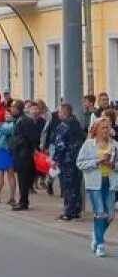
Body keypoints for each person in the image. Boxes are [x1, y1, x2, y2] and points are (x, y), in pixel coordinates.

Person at [76, 116, 114, 257]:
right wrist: (98, 161)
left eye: (107, 128)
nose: (105, 130)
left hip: (110, 183)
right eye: (103, 128)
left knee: (109, 214)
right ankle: (99, 244)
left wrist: (112, 164)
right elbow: (80, 163)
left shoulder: (114, 145)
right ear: (96, 129)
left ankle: (97, 234)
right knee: (99, 212)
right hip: (94, 183)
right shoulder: (88, 145)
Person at [50, 103, 85, 221]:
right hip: (78, 159)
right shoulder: (77, 124)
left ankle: (68, 212)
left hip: (67, 160)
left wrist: (55, 160)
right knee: (76, 185)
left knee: (67, 187)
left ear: (64, 112)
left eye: (59, 112)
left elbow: (60, 145)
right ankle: (76, 210)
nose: (58, 114)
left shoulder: (63, 126)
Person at [11, 100, 45, 211]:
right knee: (22, 179)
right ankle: (23, 201)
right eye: (32, 109)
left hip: (34, 155)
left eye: (36, 109)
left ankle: (24, 200)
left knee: (29, 178)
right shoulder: (24, 122)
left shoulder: (42, 122)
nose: (34, 111)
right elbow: (18, 136)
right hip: (23, 153)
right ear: (28, 110)